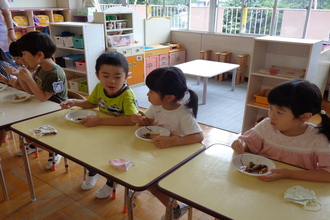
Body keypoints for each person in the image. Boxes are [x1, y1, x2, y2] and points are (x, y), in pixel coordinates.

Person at [60, 51, 139, 198]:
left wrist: (100, 120)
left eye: (117, 77)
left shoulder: (127, 95)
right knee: (89, 151)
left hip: (121, 136)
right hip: (101, 131)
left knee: (114, 158)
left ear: (126, 76)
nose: (112, 81)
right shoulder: (99, 88)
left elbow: (130, 120)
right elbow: (90, 103)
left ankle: (111, 182)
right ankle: (93, 173)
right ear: (97, 75)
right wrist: (74, 102)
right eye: (106, 76)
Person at [131, 66, 204, 220]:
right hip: (156, 152)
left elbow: (198, 136)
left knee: (154, 186)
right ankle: (142, 183)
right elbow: (150, 120)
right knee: (137, 164)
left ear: (169, 97)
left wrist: (172, 142)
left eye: (151, 91)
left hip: (174, 158)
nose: (147, 94)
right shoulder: (157, 106)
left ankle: (175, 209)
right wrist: (140, 120)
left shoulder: (183, 113)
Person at [231, 79, 330, 183]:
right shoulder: (267, 125)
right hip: (261, 182)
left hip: (295, 188)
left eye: (279, 112)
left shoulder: (318, 138)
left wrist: (290, 174)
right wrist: (241, 144)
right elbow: (249, 144)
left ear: (304, 117)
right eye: (270, 108)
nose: (271, 115)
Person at [13, 31, 68, 169]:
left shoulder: (55, 73)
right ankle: (39, 145)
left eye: (25, 54)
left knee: (27, 134)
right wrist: (22, 78)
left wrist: (29, 79)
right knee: (25, 132)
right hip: (42, 108)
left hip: (55, 112)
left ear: (39, 55)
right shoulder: (41, 69)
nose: (23, 58)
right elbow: (31, 92)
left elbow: (43, 97)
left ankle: (55, 151)